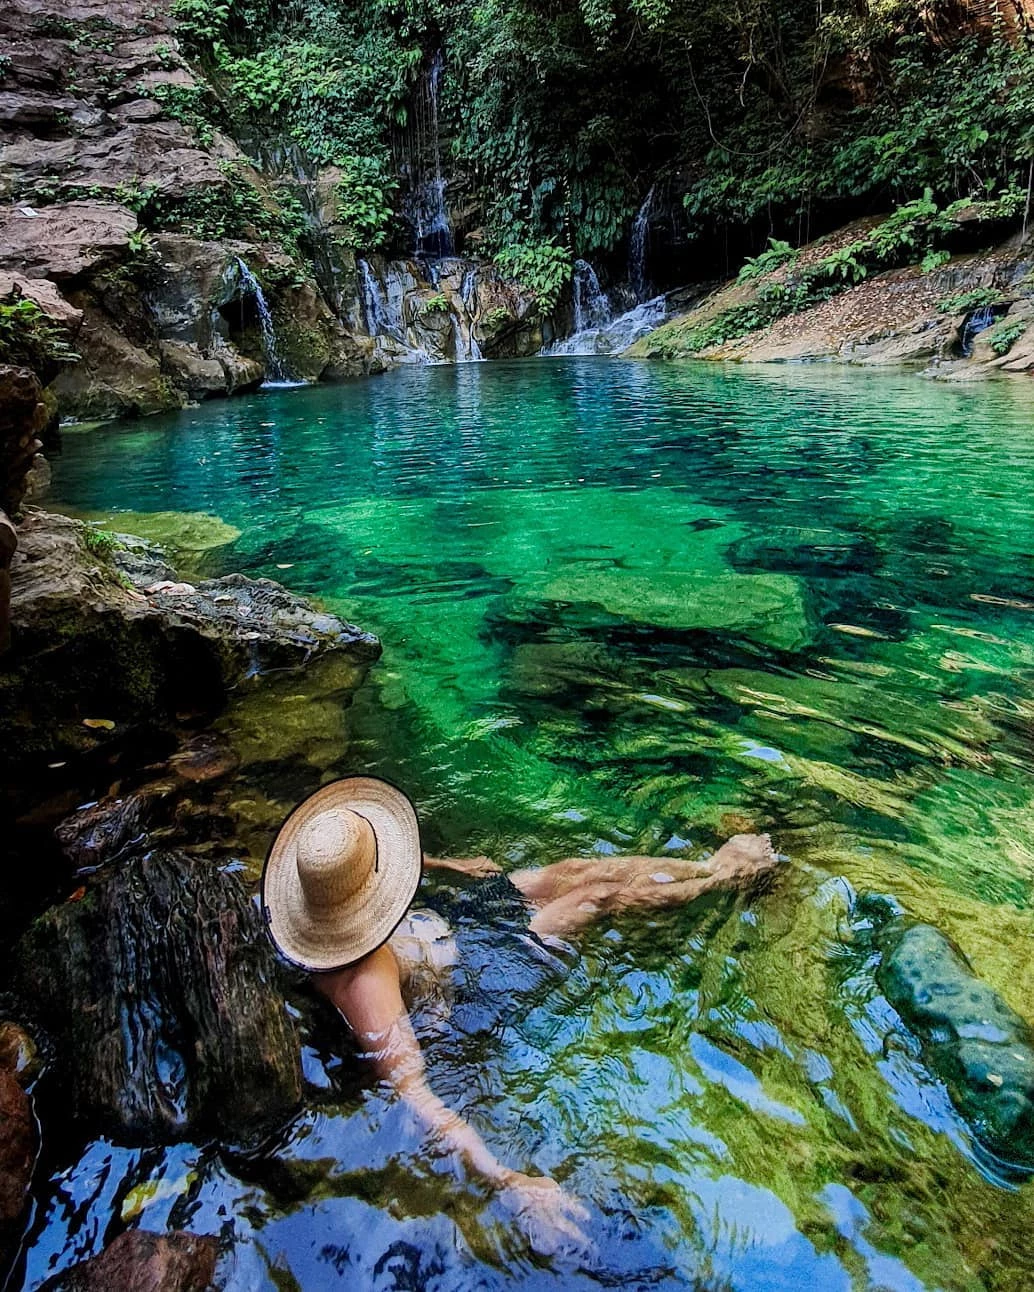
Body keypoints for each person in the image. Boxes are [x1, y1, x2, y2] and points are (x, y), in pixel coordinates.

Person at [261, 776, 779, 1257]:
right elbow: (414, 1095)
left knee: (577, 870)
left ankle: (706, 865)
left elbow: (368, 870)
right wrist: (509, 1182)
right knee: (597, 897)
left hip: (446, 924)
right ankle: (726, 877)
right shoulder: (363, 986)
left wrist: (446, 866)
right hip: (477, 974)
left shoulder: (308, 903)